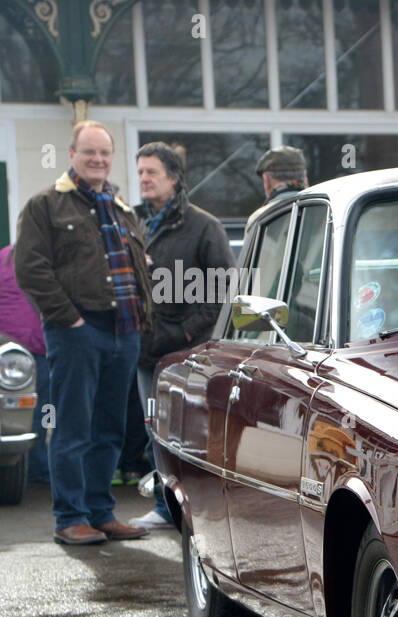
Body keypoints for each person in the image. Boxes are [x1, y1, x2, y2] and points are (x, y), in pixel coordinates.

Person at [13, 120, 152, 545]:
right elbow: (29, 268)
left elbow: (140, 270)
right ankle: (69, 517)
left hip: (124, 332)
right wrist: (68, 319)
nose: (98, 160)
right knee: (74, 428)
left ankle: (101, 512)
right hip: (78, 331)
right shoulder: (45, 205)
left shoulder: (121, 207)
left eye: (105, 153)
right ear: (71, 155)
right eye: (89, 152)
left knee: (110, 427)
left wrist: (143, 321)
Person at [129, 141, 236, 530]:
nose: (143, 179)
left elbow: (224, 289)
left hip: (192, 351)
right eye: (140, 171)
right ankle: (163, 507)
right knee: (155, 429)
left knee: (194, 432)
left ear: (173, 179)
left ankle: (204, 511)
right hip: (146, 352)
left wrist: (186, 328)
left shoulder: (204, 227)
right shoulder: (133, 223)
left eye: (151, 172)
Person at [0, 244, 48, 484]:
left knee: (20, 411)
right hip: (40, 346)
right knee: (47, 409)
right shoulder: (43, 257)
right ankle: (42, 465)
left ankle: (27, 464)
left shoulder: (3, 258)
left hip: (12, 353)